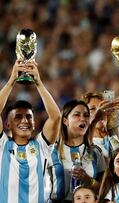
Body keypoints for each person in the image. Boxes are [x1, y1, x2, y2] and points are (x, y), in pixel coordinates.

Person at [0, 60, 61, 203]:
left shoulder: (41, 146)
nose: (24, 121)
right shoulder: (2, 145)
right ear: (8, 124)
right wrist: (11, 82)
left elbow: (55, 117)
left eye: (29, 117)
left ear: (34, 124)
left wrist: (38, 83)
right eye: (18, 117)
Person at [48, 100, 106, 202]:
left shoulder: (95, 152)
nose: (83, 119)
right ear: (65, 121)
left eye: (86, 115)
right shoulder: (50, 151)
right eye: (77, 115)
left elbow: (104, 188)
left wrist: (88, 179)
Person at [82, 92, 119, 161]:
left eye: (103, 107)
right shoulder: (82, 143)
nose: (100, 111)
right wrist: (94, 120)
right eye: (93, 109)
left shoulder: (117, 133)